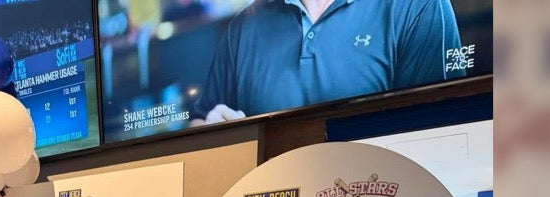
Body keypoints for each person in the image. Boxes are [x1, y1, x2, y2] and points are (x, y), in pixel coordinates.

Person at [192, 0, 464, 124]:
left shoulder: (419, 6)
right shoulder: (244, 26)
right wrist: (211, 131)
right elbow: (201, 124)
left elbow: (446, 131)